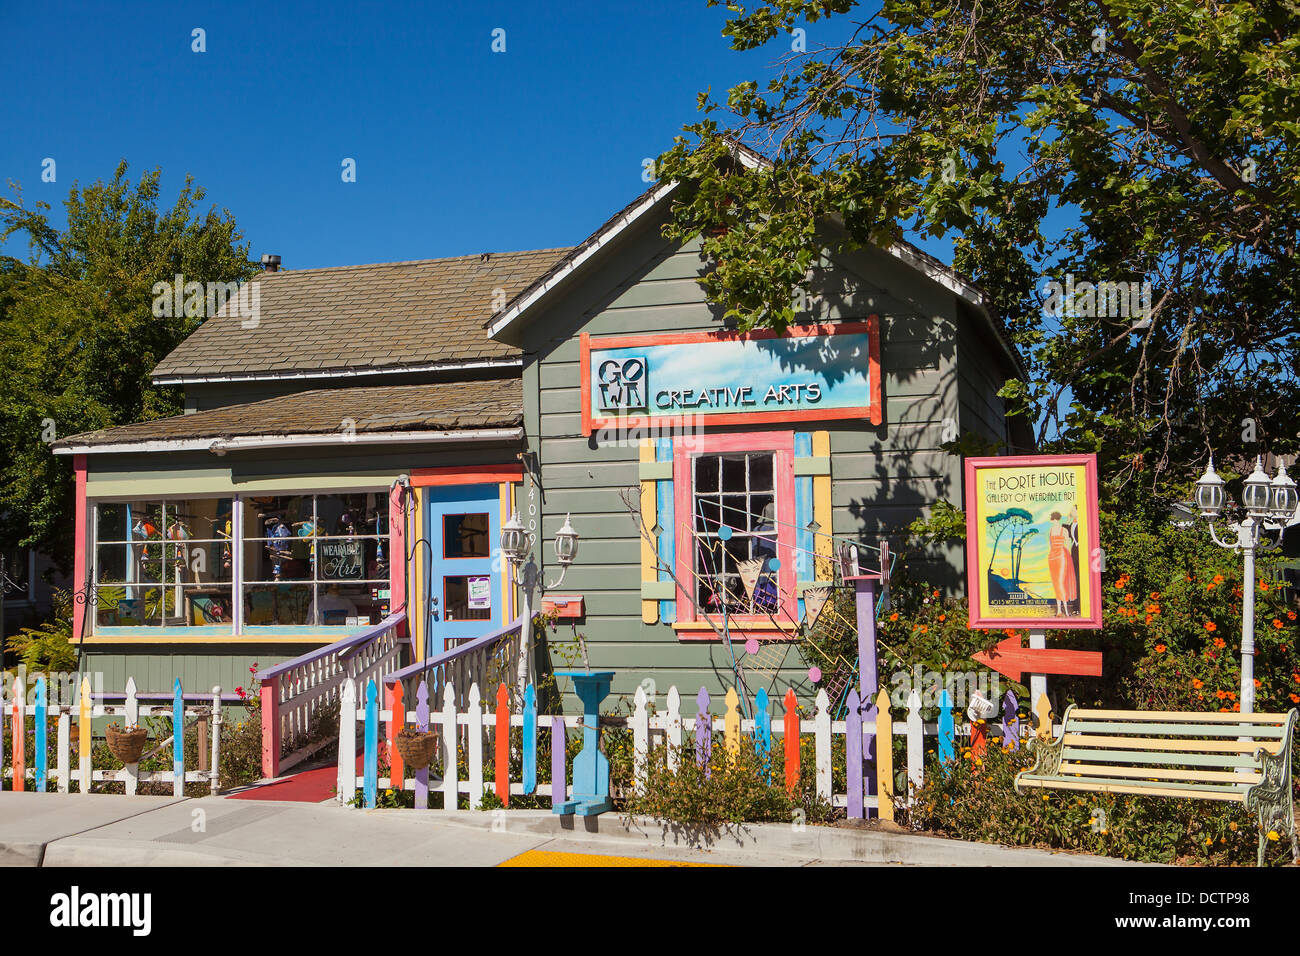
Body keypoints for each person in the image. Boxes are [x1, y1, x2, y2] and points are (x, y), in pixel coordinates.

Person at [1047, 511, 1078, 616]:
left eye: (1053, 519)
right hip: (1053, 557)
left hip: (1061, 556)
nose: (1053, 521)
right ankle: (1059, 610)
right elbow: (1051, 545)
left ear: (1055, 519)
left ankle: (1064, 608)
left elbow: (1068, 544)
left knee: (1061, 581)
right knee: (1056, 582)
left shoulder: (1063, 530)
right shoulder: (1051, 530)